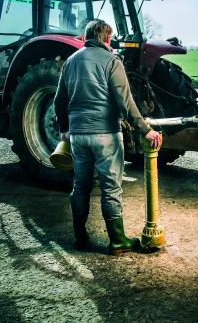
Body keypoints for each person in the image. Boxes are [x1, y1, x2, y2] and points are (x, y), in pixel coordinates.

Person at [54, 19, 161, 254]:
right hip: (105, 135)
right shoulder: (112, 61)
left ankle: (80, 238)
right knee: (111, 188)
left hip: (78, 136)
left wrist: (65, 129)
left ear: (86, 37)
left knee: (80, 186)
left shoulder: (70, 62)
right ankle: (117, 240)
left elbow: (59, 101)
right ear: (107, 39)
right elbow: (125, 102)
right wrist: (146, 129)